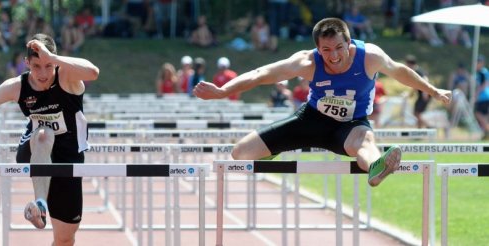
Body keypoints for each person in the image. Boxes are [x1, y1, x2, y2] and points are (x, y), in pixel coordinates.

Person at [193, 18, 451, 187]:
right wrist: (223, 90)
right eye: (326, 51)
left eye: (339, 48)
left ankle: (377, 166)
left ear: (349, 43)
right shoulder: (307, 62)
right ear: (317, 49)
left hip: (351, 125)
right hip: (311, 120)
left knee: (366, 142)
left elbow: (401, 72)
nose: (334, 56)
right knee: (240, 153)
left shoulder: (370, 57)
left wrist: (433, 90)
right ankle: (275, 147)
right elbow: (261, 74)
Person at [0, 33, 100, 245]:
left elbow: (93, 72)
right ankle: (40, 203)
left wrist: (53, 58)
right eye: (36, 66)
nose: (43, 73)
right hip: (34, 149)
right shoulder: (18, 86)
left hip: (68, 158)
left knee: (65, 239)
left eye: (48, 66)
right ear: (26, 63)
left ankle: (43, 206)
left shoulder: (67, 76)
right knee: (43, 134)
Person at [405, 54, 430, 128]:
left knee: (417, 113)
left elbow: (426, 79)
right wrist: (411, 94)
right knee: (416, 113)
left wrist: (425, 92)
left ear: (409, 64)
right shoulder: (415, 71)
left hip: (424, 94)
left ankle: (428, 126)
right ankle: (422, 129)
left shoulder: (417, 71)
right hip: (421, 94)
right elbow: (415, 86)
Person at [474, 55, 489, 140]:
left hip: (484, 97)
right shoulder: (480, 72)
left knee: (478, 114)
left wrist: (476, 94)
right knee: (484, 116)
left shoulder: (483, 72)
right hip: (484, 97)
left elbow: (484, 85)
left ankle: (487, 130)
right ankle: (486, 132)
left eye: (478, 62)